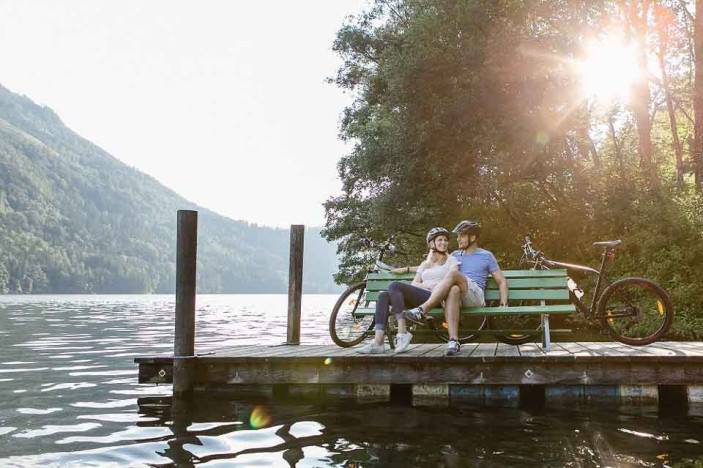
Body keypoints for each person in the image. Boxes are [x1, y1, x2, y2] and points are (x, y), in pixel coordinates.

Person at [406, 220, 508, 356]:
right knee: (454, 289)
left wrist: (503, 303)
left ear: (472, 237)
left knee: (453, 274)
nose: (458, 239)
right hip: (458, 294)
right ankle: (453, 341)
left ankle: (423, 310)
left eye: (462, 235)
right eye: (458, 236)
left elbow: (501, 281)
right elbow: (432, 265)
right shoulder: (454, 255)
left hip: (475, 295)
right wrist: (406, 269)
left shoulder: (486, 256)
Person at [357, 227, 458, 354]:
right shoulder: (425, 264)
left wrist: (436, 287)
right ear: (432, 243)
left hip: (436, 298)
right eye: (440, 240)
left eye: (445, 240)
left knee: (394, 285)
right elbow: (415, 283)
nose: (443, 243)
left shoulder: (451, 260)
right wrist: (426, 286)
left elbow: (454, 277)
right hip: (422, 296)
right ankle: (378, 342)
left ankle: (402, 331)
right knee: (383, 296)